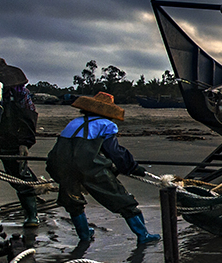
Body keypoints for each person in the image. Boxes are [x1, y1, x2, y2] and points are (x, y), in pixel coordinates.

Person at [45, 92, 160, 246]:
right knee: (122, 200)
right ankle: (143, 234)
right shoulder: (107, 125)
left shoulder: (73, 122)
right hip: (90, 167)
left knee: (73, 202)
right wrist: (132, 168)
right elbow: (114, 152)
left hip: (62, 166)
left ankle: (84, 235)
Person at [0, 58, 42, 227]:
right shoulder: (19, 91)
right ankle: (31, 216)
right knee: (19, 175)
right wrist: (25, 142)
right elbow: (29, 114)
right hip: (10, 137)